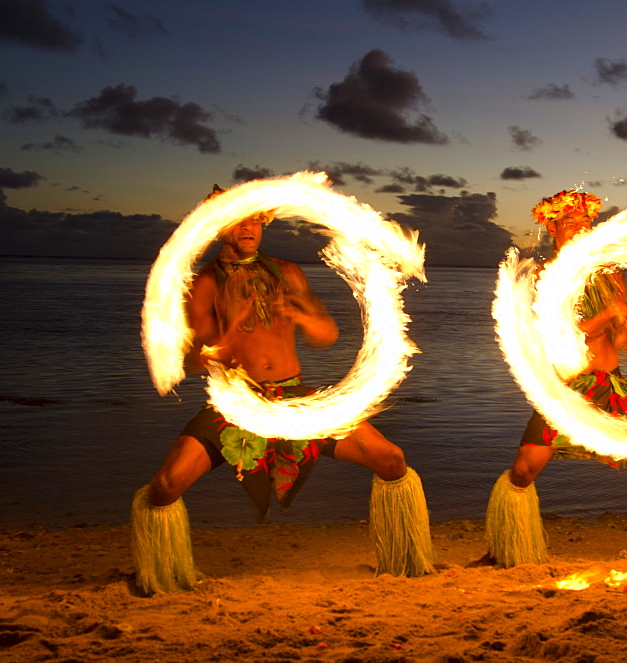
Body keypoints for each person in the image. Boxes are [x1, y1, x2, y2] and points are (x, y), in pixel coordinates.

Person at [130, 185, 435, 595]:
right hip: (238, 403)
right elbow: (188, 360)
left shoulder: (288, 272)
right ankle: (162, 577)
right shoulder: (203, 284)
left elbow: (328, 333)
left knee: (391, 460)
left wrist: (300, 316)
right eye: (240, 218)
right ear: (219, 227)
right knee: (165, 486)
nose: (249, 226)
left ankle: (405, 562)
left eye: (256, 218)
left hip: (296, 401)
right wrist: (222, 345)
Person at [483, 190, 627, 567]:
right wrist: (609, 315)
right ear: (551, 227)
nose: (580, 230)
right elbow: (564, 333)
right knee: (523, 470)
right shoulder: (543, 277)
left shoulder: (610, 272)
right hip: (568, 390)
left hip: (611, 383)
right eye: (570, 224)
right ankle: (504, 550)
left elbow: (621, 338)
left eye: (586, 224)